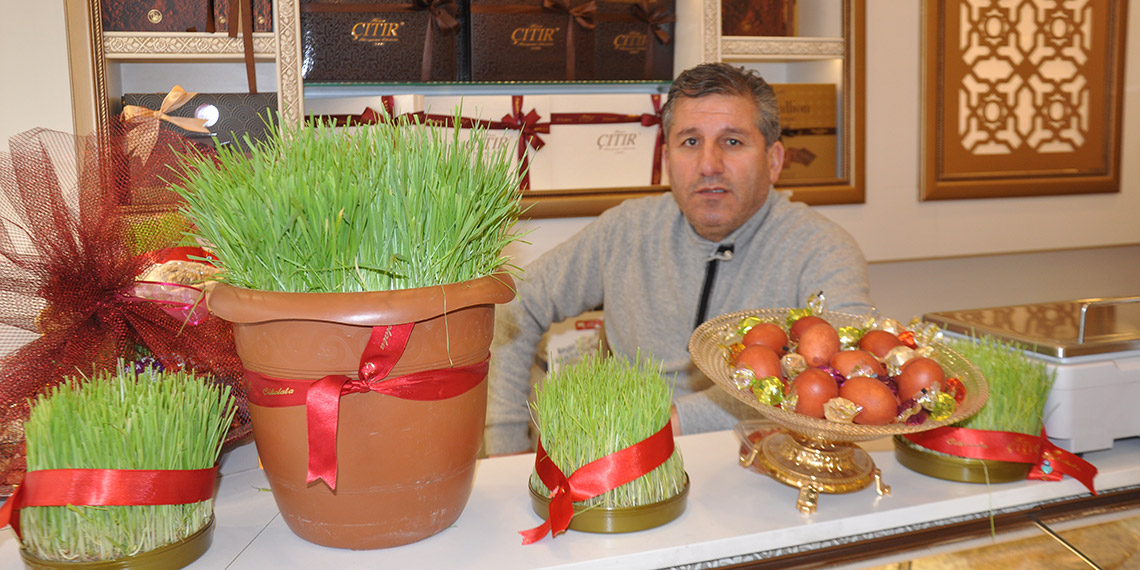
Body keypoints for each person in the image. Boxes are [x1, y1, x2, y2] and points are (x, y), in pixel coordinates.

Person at [483, 62, 873, 455]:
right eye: (690, 142)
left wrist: (675, 423)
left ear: (773, 161)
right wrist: (505, 442)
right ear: (668, 159)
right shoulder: (626, 229)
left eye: (733, 142)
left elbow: (841, 378)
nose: (708, 165)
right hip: (626, 464)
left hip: (763, 469)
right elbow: (517, 303)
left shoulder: (825, 250)